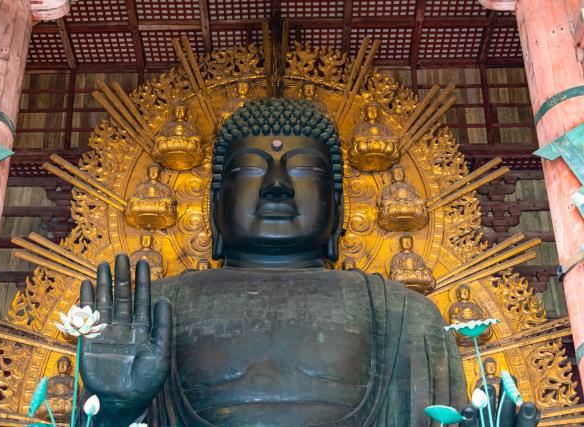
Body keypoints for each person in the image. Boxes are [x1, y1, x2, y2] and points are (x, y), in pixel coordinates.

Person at [78, 98, 538, 426]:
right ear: (215, 204)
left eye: (303, 171)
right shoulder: (150, 314)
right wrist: (115, 411)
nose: (277, 186)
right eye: (251, 170)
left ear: (338, 208)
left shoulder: (404, 315)